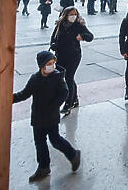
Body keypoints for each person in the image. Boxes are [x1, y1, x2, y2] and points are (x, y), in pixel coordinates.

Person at [13, 51, 81, 182]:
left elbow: (64, 93)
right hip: (38, 117)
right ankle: (43, 167)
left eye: (53, 63)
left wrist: (54, 105)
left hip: (51, 116)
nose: (52, 66)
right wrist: (11, 98)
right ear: (42, 66)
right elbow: (25, 93)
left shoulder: (57, 77)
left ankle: (73, 155)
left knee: (55, 140)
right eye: (49, 64)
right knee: (40, 143)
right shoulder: (35, 79)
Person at [50, 6, 94, 114]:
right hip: (61, 55)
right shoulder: (60, 24)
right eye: (71, 14)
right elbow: (53, 38)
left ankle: (68, 104)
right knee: (67, 78)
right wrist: (53, 45)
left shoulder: (79, 25)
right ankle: (74, 99)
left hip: (74, 55)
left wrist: (82, 36)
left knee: (69, 78)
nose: (73, 16)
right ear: (66, 15)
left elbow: (90, 36)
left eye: (75, 14)